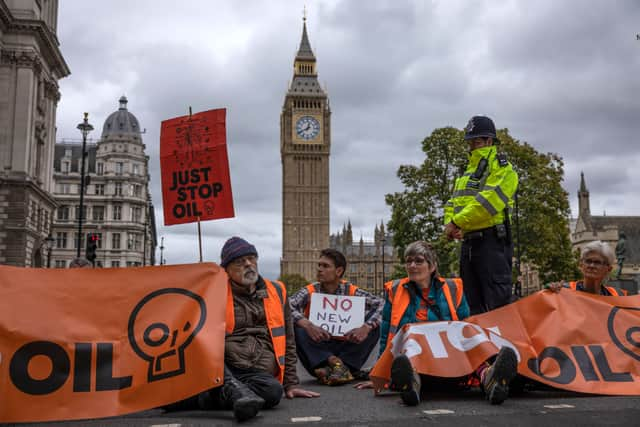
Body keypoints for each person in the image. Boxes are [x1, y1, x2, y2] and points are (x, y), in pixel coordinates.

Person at [164, 237, 319, 421]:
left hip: (256, 372)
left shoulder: (277, 290)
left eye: (251, 258)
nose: (248, 264)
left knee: (273, 392)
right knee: (204, 350)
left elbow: (289, 339)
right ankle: (232, 390)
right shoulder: (215, 291)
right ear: (226, 270)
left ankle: (199, 398)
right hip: (223, 366)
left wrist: (291, 384)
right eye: (239, 261)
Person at [356, 241, 518, 406]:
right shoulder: (395, 290)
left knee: (468, 332)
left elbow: (467, 329)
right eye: (408, 261)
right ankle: (409, 384)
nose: (412, 265)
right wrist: (379, 375)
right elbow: (386, 336)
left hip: (450, 358)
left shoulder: (453, 288)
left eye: (418, 261)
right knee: (411, 337)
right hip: (417, 356)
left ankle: (490, 378)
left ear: (432, 267)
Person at [444, 115, 519, 315]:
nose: (472, 146)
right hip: (469, 244)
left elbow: (487, 203)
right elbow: (454, 201)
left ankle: (504, 347)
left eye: (476, 141)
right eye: (470, 142)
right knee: (471, 307)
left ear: (489, 141)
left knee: (498, 307)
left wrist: (457, 222)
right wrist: (451, 224)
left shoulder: (503, 168)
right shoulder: (468, 170)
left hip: (491, 243)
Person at [289, 248, 383, 385]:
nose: (319, 269)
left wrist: (366, 327)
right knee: (297, 326)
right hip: (319, 352)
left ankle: (335, 370)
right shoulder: (310, 291)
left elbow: (383, 305)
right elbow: (285, 307)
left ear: (339, 271)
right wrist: (307, 325)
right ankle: (337, 365)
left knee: (374, 324)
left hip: (347, 346)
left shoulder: (351, 291)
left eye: (325, 266)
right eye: (319, 265)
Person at [548, 240, 627, 296]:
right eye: (588, 261)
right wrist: (550, 290)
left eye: (597, 262)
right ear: (581, 265)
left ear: (609, 269)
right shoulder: (564, 290)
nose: (591, 266)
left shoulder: (616, 296)